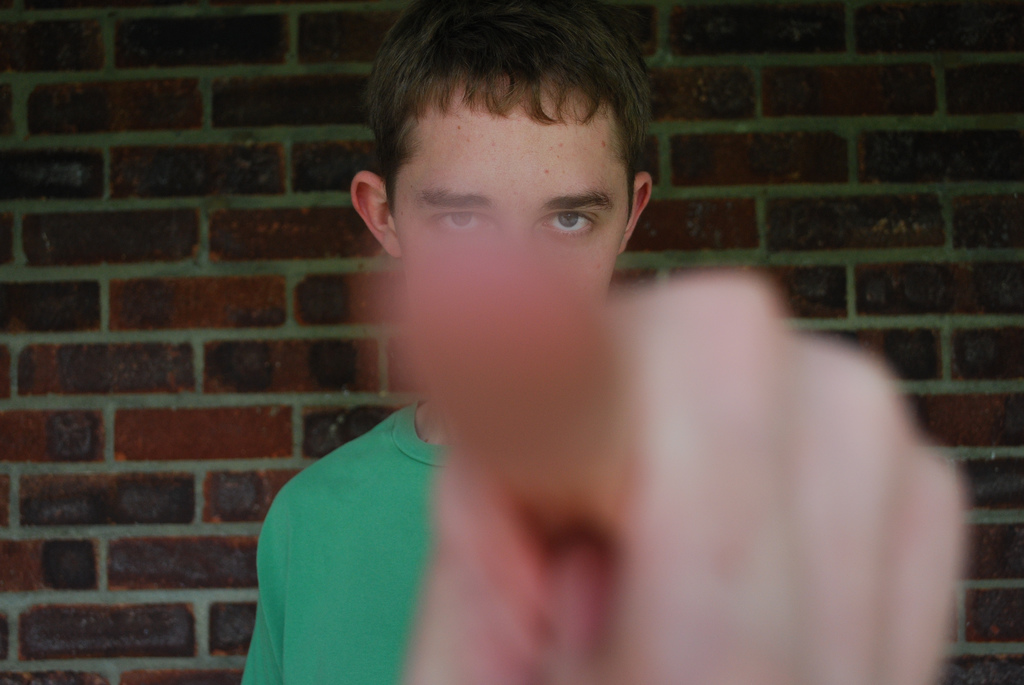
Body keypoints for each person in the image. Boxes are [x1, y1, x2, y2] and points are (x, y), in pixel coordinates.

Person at [240, 1, 966, 683]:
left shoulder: (744, 525)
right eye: (462, 219)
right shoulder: (308, 525)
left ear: (630, 215)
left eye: (568, 221)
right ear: (383, 215)